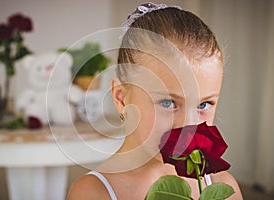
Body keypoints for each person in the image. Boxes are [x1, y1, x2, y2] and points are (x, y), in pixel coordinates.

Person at [68, 2, 243, 200]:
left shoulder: (223, 188)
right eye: (168, 103)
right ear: (122, 98)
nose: (189, 125)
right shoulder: (94, 193)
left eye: (203, 105)